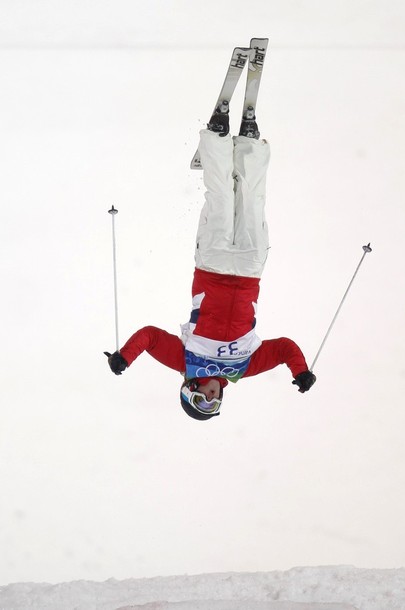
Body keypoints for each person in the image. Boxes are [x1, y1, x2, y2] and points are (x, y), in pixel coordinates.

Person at [106, 103, 316, 420]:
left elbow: (149, 336)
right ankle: (249, 143)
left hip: (213, 267)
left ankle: (217, 138)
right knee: (252, 201)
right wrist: (300, 372)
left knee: (221, 198)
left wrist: (125, 357)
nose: (212, 399)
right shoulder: (242, 369)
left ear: (189, 391)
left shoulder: (185, 361)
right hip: (249, 271)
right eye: (215, 405)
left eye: (203, 402)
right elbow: (284, 347)